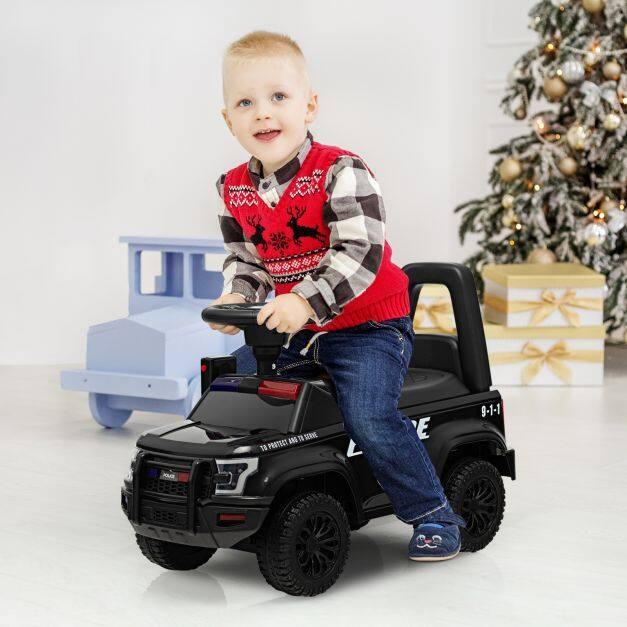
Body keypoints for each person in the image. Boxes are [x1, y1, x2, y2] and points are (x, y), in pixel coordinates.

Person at [209, 30, 466, 561]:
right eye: (246, 103)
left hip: (368, 327)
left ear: (309, 106)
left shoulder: (340, 170)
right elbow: (248, 260)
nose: (263, 113)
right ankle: (247, 496)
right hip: (297, 330)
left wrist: (305, 301)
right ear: (228, 120)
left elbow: (360, 252)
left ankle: (432, 511)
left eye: (278, 97)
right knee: (231, 390)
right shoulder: (232, 188)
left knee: (368, 413)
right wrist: (238, 296)